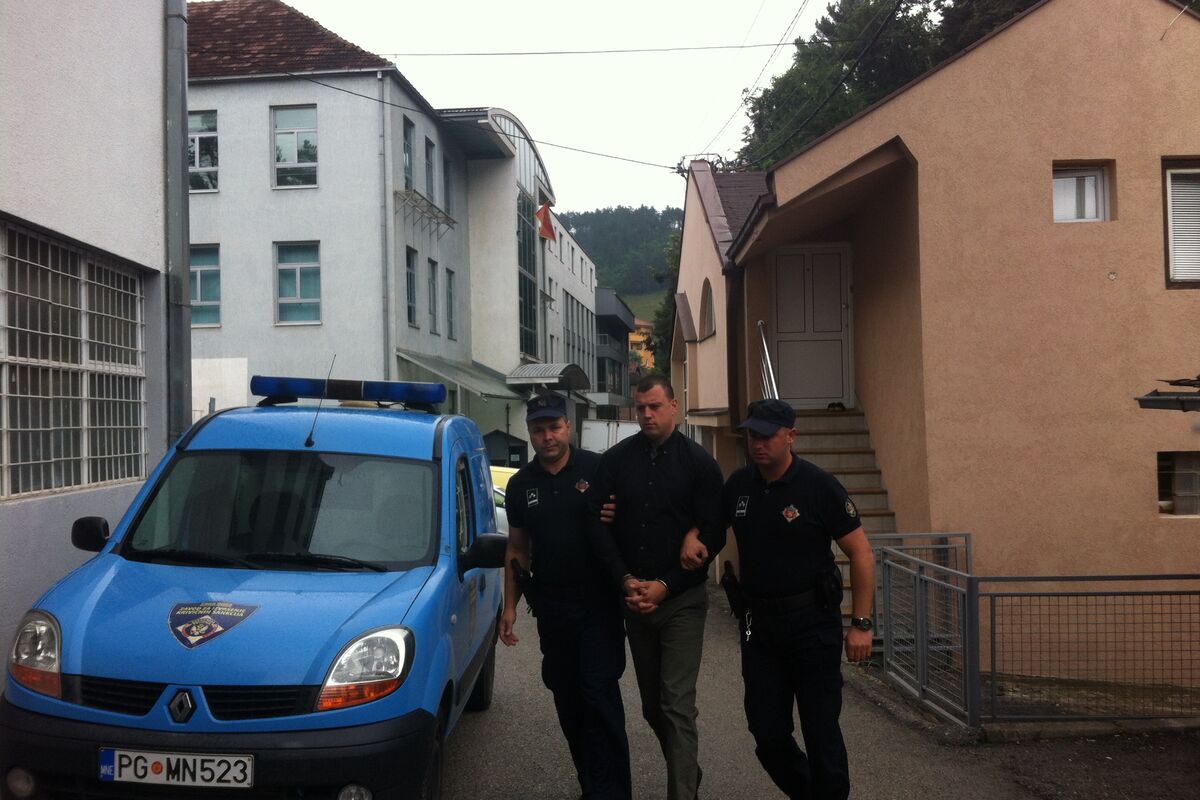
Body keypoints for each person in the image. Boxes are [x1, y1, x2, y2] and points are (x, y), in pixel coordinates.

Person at [720, 399, 875, 800]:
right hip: (757, 627)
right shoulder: (739, 485)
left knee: (821, 730)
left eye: (767, 436)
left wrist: (861, 624)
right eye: (752, 435)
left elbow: (861, 552)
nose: (757, 443)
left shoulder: (818, 486)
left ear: (791, 436)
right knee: (766, 730)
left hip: (812, 624)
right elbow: (707, 525)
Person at [588, 374, 725, 800]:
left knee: (675, 704)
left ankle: (682, 792)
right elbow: (596, 524)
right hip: (635, 601)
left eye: (655, 406)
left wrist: (669, 581)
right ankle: (687, 769)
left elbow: (715, 531)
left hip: (682, 601)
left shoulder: (700, 464)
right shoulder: (615, 462)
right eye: (640, 407)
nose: (647, 414)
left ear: (674, 407)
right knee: (652, 707)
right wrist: (625, 579)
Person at [500, 394, 632, 800]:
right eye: (539, 430)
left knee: (599, 695)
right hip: (553, 609)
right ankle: (592, 785)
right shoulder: (521, 486)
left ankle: (614, 793)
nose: (548, 437)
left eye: (554, 427)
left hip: (599, 606)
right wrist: (509, 607)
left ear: (568, 426)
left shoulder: (597, 469)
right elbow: (517, 549)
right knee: (569, 700)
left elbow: (628, 521)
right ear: (529, 433)